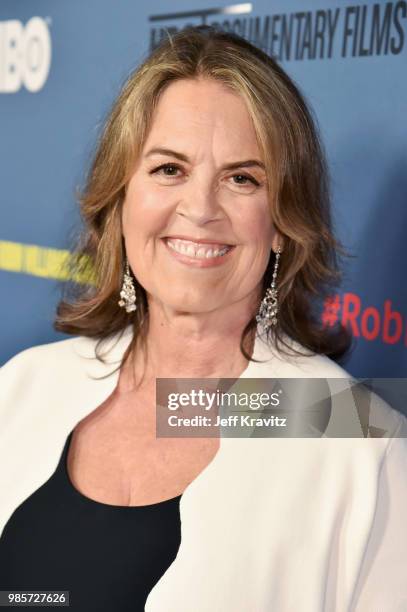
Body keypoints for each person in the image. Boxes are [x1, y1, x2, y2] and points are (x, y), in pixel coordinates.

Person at [0, 25, 406, 612]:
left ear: (281, 224)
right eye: (169, 169)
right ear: (121, 198)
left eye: (242, 178)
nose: (199, 208)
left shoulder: (358, 438)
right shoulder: (24, 387)